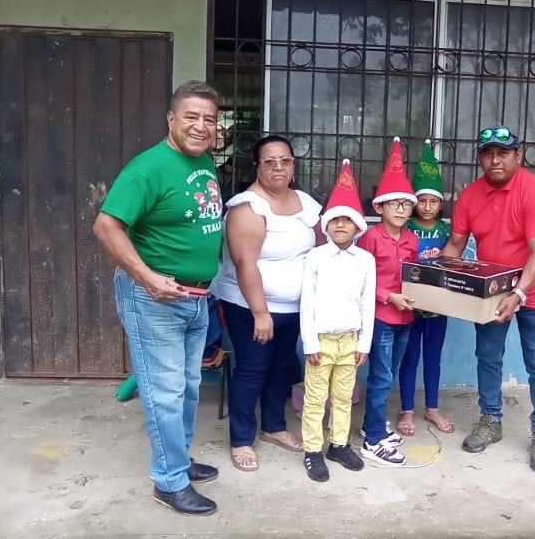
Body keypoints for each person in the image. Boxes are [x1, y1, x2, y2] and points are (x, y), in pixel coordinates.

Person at [92, 80, 225, 516]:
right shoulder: (147, 168)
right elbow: (106, 226)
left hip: (196, 298)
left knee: (187, 388)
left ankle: (178, 460)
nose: (201, 126)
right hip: (156, 298)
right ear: (171, 119)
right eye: (191, 116)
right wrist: (146, 277)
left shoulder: (202, 161)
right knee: (165, 392)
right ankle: (169, 481)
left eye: (209, 119)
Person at [441, 125, 535, 473]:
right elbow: (455, 246)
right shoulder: (469, 196)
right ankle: (490, 420)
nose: (495, 160)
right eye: (488, 153)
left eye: (503, 153)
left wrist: (519, 294)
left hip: (534, 291)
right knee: (488, 357)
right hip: (491, 291)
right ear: (480, 158)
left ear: (518, 155)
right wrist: (432, 282)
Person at [212, 135, 322, 472]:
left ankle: (274, 426)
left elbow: (322, 249)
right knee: (253, 368)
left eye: (285, 161)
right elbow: (245, 263)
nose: (278, 167)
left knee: (281, 366)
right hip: (250, 306)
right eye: (269, 162)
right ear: (257, 167)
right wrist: (260, 313)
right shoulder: (247, 207)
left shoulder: (306, 203)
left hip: (294, 308)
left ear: (293, 165)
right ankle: (241, 439)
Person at [298, 159, 373, 482]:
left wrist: (364, 343)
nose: (341, 225)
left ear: (358, 226)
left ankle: (339, 444)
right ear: (326, 226)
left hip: (350, 341)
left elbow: (367, 304)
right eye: (335, 221)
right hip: (322, 341)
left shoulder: (365, 260)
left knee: (344, 397)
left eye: (348, 221)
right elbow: (307, 303)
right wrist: (310, 342)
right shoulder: (315, 257)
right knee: (316, 399)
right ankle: (313, 450)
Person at [356, 137, 420, 466]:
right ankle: (373, 440)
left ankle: (373, 423)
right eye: (394, 204)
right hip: (381, 318)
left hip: (406, 318)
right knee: (380, 377)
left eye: (406, 204)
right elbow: (361, 280)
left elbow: (415, 275)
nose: (401, 209)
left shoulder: (412, 239)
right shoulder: (369, 237)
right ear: (379, 207)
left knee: (391, 372)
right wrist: (388, 296)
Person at [397, 140, 454, 437]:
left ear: (441, 204)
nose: (428, 207)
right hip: (409, 304)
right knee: (409, 357)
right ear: (413, 202)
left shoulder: (447, 231)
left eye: (434, 201)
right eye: (422, 201)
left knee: (433, 357)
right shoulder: (405, 229)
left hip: (438, 306)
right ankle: (407, 408)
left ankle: (432, 407)